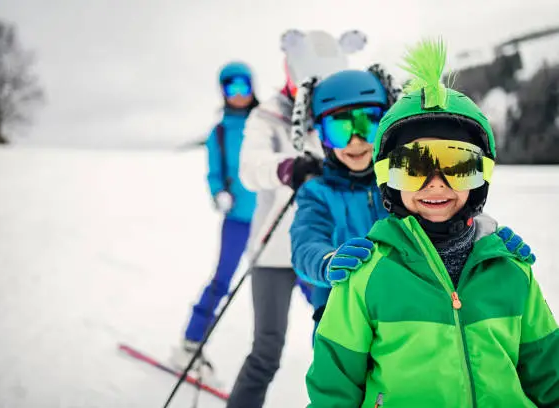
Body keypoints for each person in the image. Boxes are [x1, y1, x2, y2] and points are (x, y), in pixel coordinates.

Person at [306, 38, 558, 407]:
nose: (436, 182)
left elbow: (550, 377)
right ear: (388, 177)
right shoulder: (366, 277)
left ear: (481, 176)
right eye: (413, 167)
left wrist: (498, 248)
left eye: (458, 166)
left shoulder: (511, 271)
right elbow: (333, 390)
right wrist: (326, 261)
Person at [225, 29, 367, 408]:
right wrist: (289, 167)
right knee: (266, 351)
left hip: (323, 247)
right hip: (274, 252)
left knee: (339, 341)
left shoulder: (337, 111)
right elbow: (250, 168)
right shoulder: (268, 115)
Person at [289, 66, 397, 339]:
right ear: (322, 138)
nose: (356, 141)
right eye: (339, 129)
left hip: (406, 315)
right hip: (342, 322)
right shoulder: (317, 193)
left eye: (366, 125)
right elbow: (305, 244)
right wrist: (328, 261)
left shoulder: (405, 182)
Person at [170, 61, 259, 380]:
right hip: (237, 219)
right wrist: (218, 192)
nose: (238, 95)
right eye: (231, 88)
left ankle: (342, 349)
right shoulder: (219, 133)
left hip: (271, 218)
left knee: (303, 278)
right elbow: (214, 173)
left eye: (244, 87)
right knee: (222, 279)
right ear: (223, 92)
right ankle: (190, 344)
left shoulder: (265, 123)